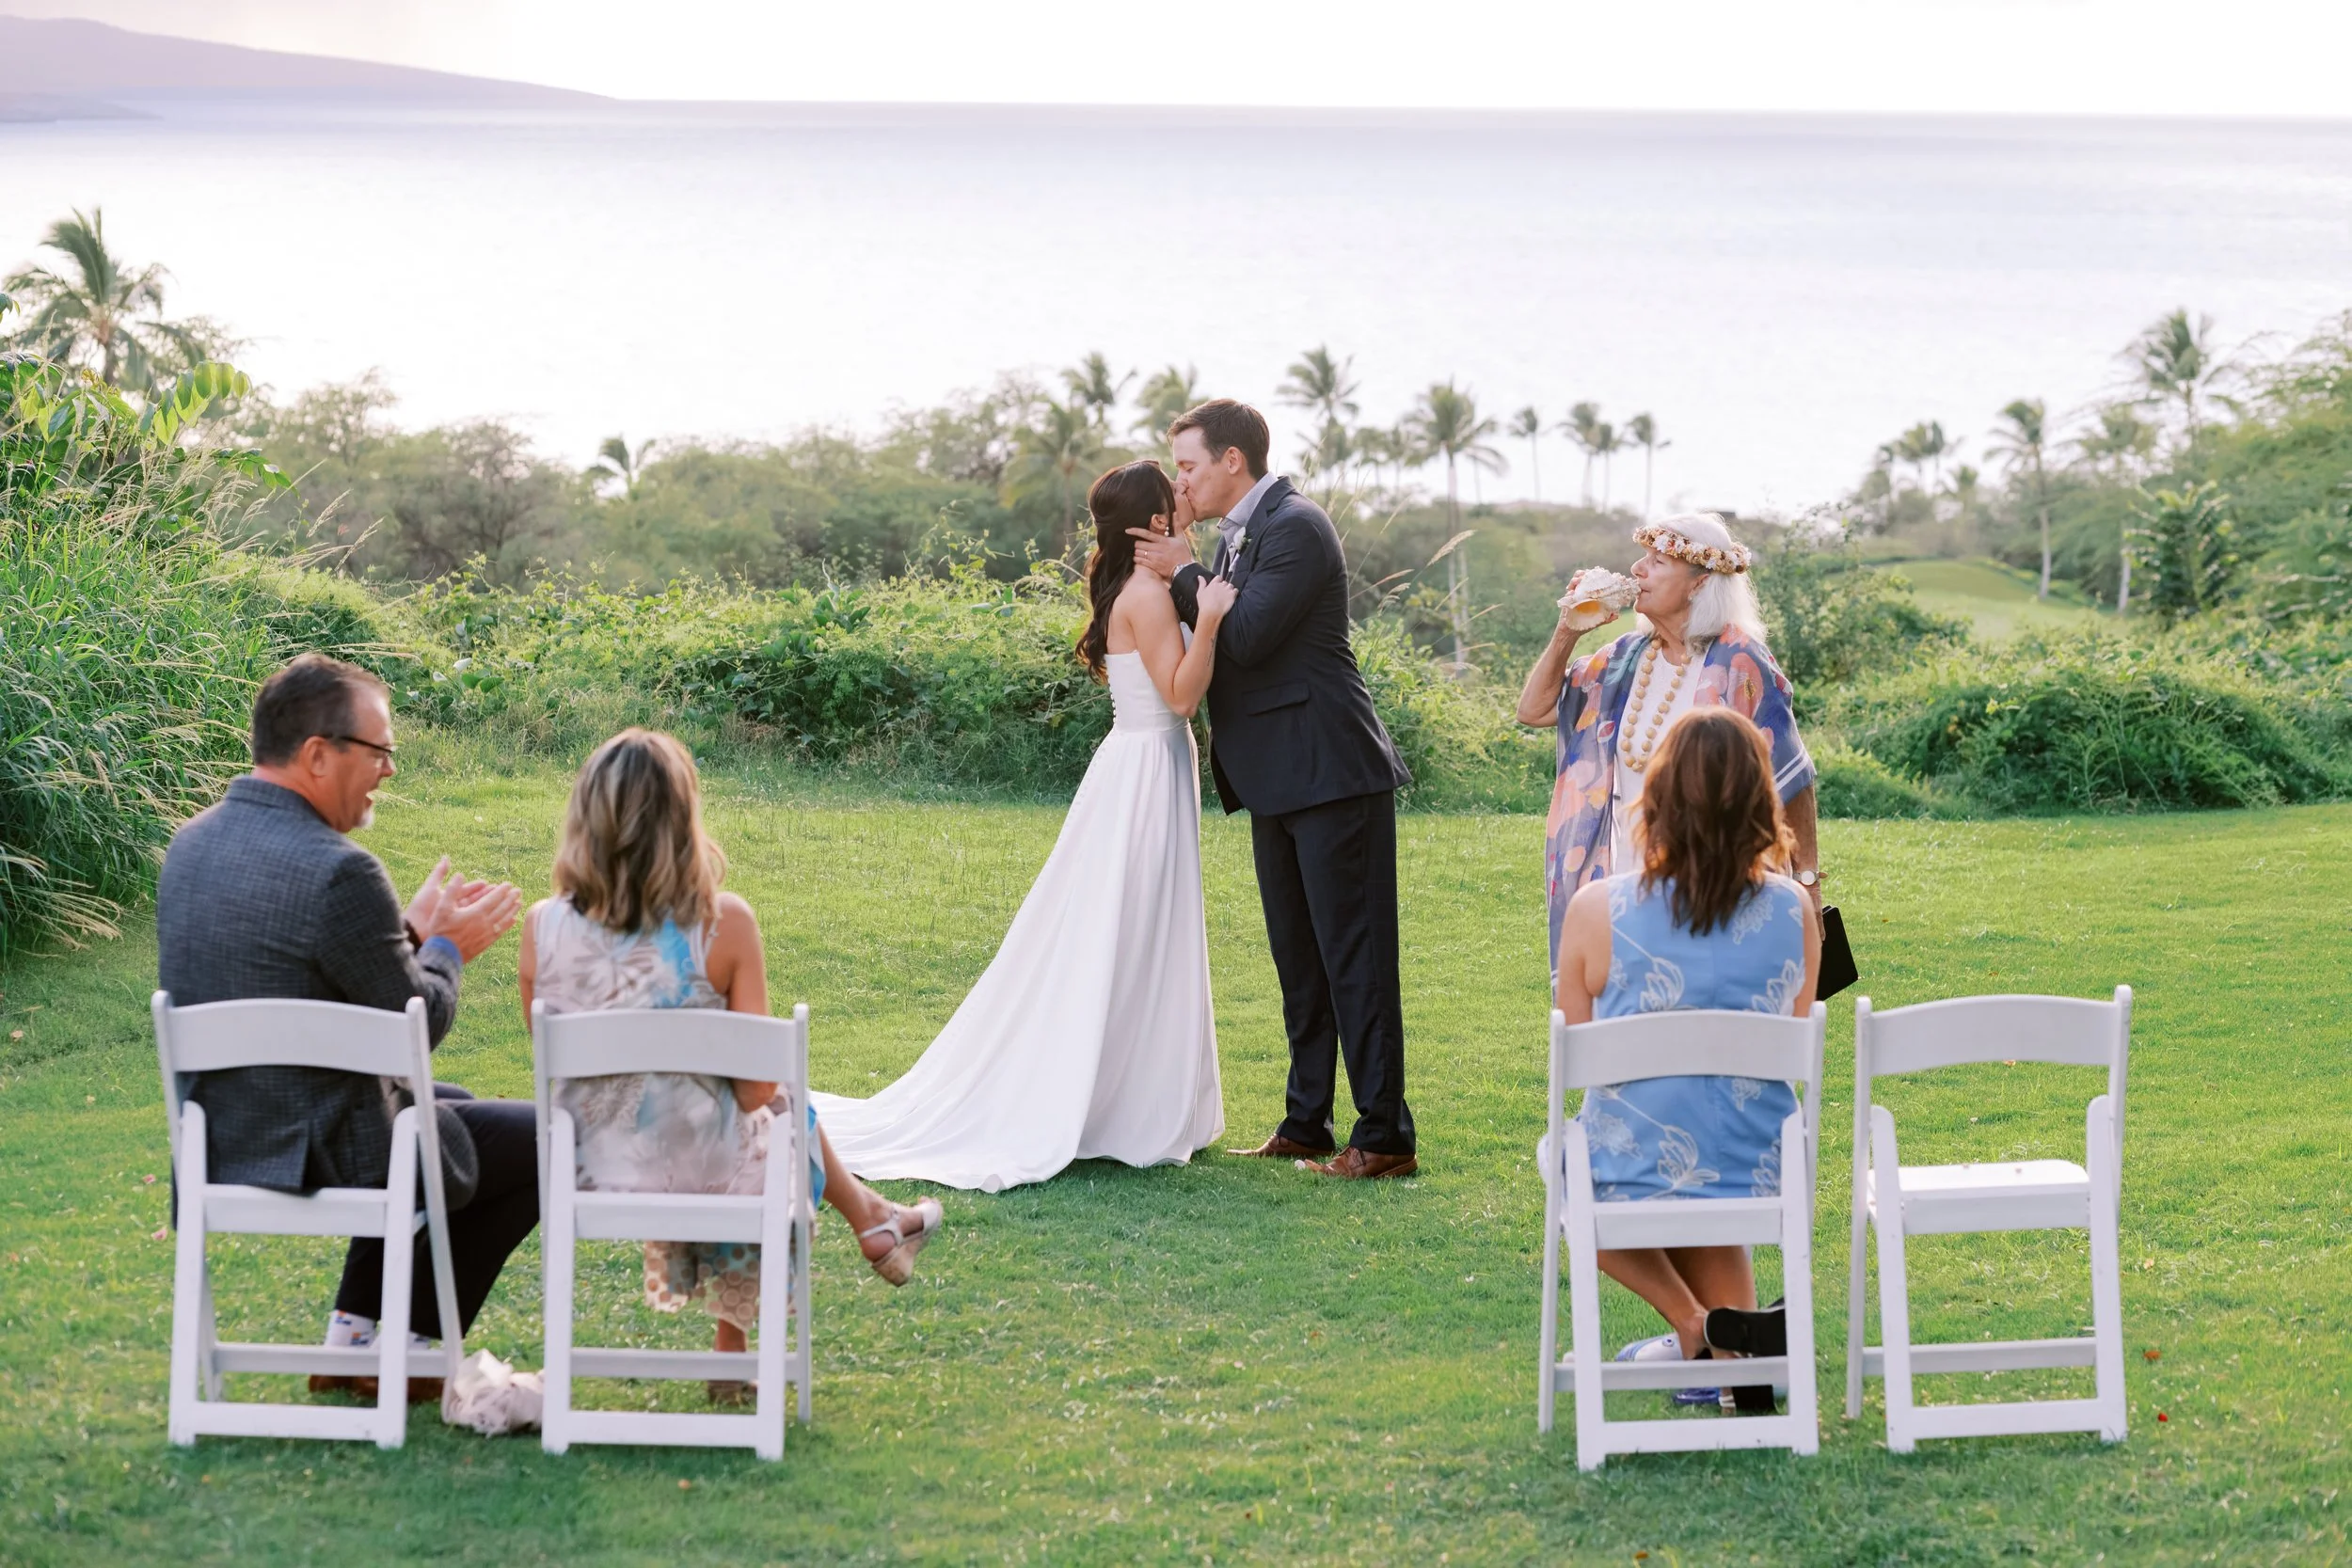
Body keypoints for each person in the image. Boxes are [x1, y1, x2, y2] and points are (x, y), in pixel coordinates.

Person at [812, 461, 1232, 1191]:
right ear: (1155, 521)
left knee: (1131, 929)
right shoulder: (1147, 596)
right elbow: (1182, 695)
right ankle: (1116, 1104)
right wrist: (1215, 621)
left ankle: (1129, 1094)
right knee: (1125, 929)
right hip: (1143, 771)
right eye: (1174, 495)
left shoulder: (1144, 587)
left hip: (1143, 765)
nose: (1185, 499)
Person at [520, 728, 947, 1399]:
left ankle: (863, 1222)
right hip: (705, 1173)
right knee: (779, 1117)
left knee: (759, 1123)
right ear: (683, 820)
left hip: (592, 1173)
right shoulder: (724, 924)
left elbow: (565, 1071)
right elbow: (753, 1091)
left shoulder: (541, 926)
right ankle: (860, 1224)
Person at [155, 653, 529, 1400]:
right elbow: (412, 1029)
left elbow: (297, 973)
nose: (389, 769)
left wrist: (408, 935)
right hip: (313, 1144)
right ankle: (415, 1357)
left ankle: (351, 1343)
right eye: (380, 750)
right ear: (318, 754)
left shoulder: (190, 845)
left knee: (447, 1102)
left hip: (222, 1133)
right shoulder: (341, 871)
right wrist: (450, 950)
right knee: (543, 1137)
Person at [1128, 400, 1420, 1180]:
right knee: (1300, 960)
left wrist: (1181, 570)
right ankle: (1307, 1121)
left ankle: (1386, 1134)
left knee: (1353, 956)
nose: (1181, 479)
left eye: (1188, 465)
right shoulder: (1232, 538)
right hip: (1276, 778)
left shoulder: (1297, 525)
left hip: (1330, 772)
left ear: (1233, 461)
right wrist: (1186, 558)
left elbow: (1248, 634)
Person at [1552, 706, 1823, 1412]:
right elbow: (1791, 1037)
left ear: (1660, 797)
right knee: (1708, 1170)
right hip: (1759, 1169)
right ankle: (1742, 1365)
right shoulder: (1797, 911)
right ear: (1761, 802)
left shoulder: (1595, 908)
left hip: (1630, 1166)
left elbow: (1582, 1053)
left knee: (1568, 1162)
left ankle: (1692, 1325)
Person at [1516, 512, 1821, 991]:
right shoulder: (1622, 659)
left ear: (1699, 583)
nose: (1637, 569)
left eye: (1657, 561)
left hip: (1714, 875)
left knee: (1699, 1005)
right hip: (1620, 873)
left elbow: (1792, 780)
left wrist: (1807, 883)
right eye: (1643, 557)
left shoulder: (1740, 662)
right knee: (1621, 1012)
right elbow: (1532, 711)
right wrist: (1568, 631)